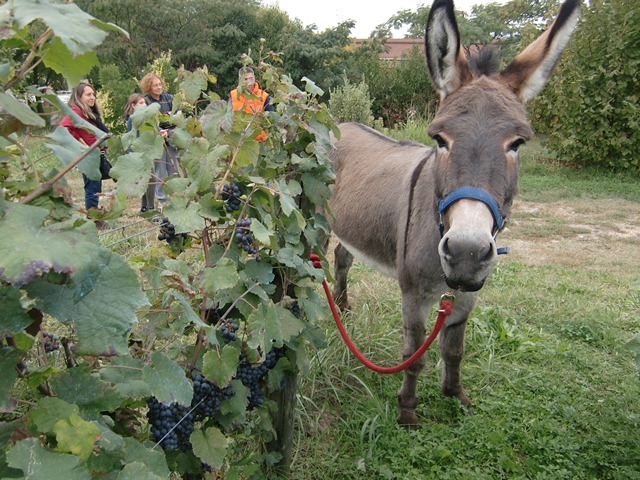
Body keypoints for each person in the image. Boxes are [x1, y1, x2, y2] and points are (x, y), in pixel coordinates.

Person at [59, 81, 110, 229]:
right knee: (92, 187)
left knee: (96, 186)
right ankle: (92, 220)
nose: (92, 97)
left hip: (95, 155)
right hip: (87, 156)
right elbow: (63, 128)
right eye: (88, 94)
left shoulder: (90, 114)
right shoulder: (76, 112)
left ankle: (94, 217)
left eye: (93, 94)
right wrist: (81, 144)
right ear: (79, 97)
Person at [140, 73, 178, 211]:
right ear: (149, 87)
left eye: (159, 84)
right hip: (157, 140)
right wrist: (161, 129)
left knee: (175, 169)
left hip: (172, 138)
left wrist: (169, 130)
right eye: (155, 85)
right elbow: (149, 120)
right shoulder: (146, 101)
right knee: (160, 171)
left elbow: (177, 116)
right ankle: (162, 200)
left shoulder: (169, 98)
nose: (158, 87)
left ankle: (176, 197)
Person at [124, 93, 155, 212]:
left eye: (145, 102)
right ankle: (150, 207)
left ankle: (144, 206)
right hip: (143, 152)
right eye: (141, 103)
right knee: (150, 180)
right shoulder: (134, 119)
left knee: (146, 180)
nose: (144, 105)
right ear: (133, 105)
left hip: (145, 151)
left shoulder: (143, 117)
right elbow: (133, 138)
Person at [229, 67, 274, 142]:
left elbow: (271, 118)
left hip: (259, 141)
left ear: (254, 78)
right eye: (245, 79)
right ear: (239, 80)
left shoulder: (264, 96)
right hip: (238, 141)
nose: (248, 82)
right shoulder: (232, 95)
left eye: (251, 79)